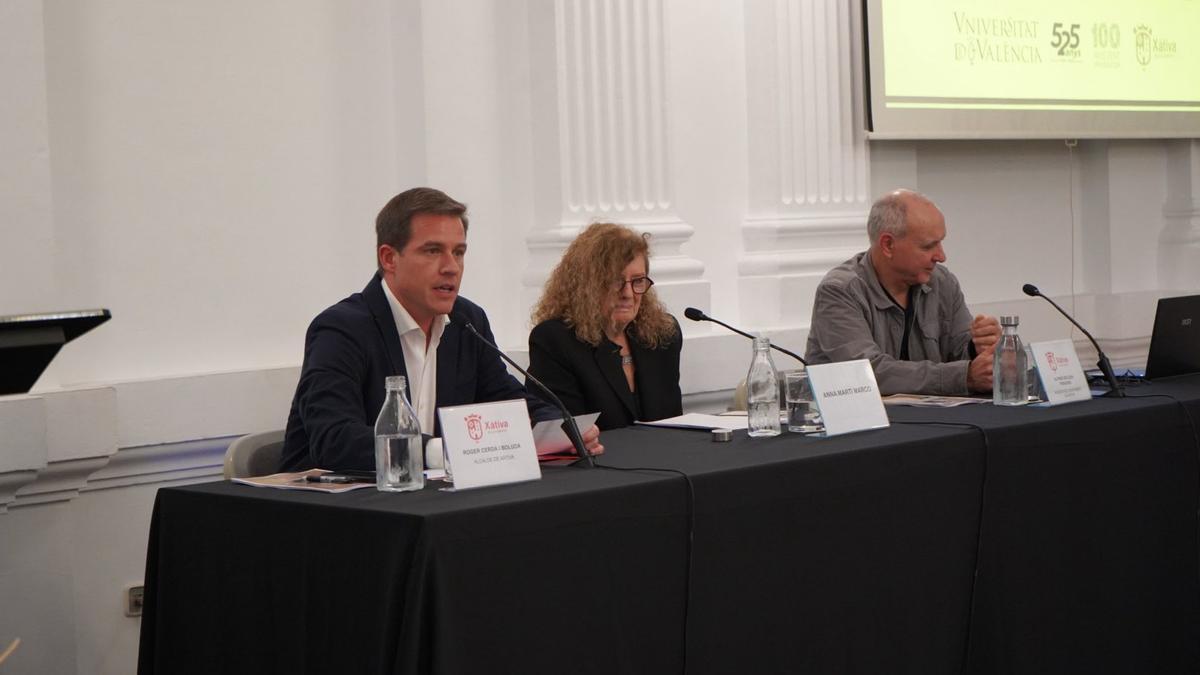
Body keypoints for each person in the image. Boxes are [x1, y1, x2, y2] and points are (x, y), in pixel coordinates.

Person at [279, 187, 602, 472]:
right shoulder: (342, 329)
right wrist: (441, 451)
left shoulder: (467, 321)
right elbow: (334, 438)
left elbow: (506, 399)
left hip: (425, 502)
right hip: (331, 513)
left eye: (458, 252)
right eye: (433, 251)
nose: (451, 267)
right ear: (389, 258)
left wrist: (560, 428)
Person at [805, 189, 1001, 396]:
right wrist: (964, 377)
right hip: (858, 423)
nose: (941, 256)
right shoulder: (840, 291)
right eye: (928, 246)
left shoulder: (942, 282)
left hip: (935, 421)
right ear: (888, 245)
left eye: (941, 242)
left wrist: (980, 348)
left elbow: (960, 352)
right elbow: (867, 373)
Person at [527, 222, 683, 430]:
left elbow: (672, 422)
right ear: (587, 286)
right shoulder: (555, 341)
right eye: (615, 281)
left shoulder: (663, 334)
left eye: (637, 281)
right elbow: (566, 431)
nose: (628, 294)